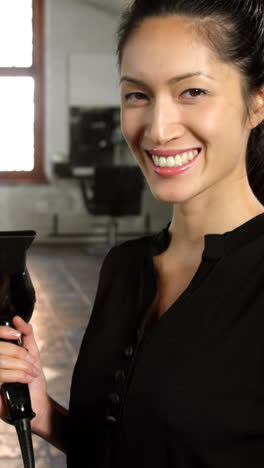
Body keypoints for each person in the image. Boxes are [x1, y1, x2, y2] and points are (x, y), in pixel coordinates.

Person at [1, 0, 264, 466]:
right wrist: (44, 415)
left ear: (256, 102)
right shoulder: (123, 268)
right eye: (137, 95)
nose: (158, 130)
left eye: (193, 92)